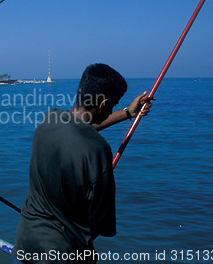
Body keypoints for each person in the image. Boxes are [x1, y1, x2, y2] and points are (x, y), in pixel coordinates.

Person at [13, 64, 153, 263]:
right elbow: (102, 224)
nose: (111, 109)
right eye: (112, 105)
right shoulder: (98, 150)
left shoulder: (49, 120)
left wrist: (127, 113)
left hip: (25, 245)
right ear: (103, 104)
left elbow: (79, 128)